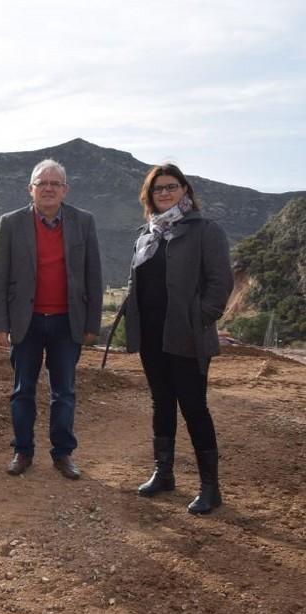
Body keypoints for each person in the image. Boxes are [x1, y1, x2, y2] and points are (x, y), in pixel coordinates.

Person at [124, 163, 233, 514]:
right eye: (158, 189)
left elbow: (221, 284)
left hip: (188, 336)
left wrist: (198, 319)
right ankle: (164, 473)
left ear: (185, 190)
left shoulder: (204, 230)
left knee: (194, 407)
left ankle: (210, 488)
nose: (165, 193)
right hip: (153, 336)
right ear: (150, 195)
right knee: (161, 403)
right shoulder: (147, 234)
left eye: (172, 187)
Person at [0, 159, 102, 479]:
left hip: (68, 322)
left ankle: (63, 454)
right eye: (42, 183)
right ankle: (22, 451)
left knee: (63, 391)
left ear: (65, 190)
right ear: (31, 189)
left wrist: (92, 323)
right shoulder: (10, 223)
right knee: (22, 390)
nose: (48, 188)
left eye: (55, 183)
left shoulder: (84, 222)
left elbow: (93, 274)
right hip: (27, 322)